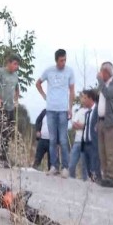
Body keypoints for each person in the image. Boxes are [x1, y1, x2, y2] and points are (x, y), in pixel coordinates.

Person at [36, 49, 75, 178]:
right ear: (56, 60)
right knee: (52, 139)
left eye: (65, 60)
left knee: (63, 140)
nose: (63, 62)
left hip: (63, 110)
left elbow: (72, 91)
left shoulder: (69, 71)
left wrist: (70, 108)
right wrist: (44, 96)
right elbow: (38, 83)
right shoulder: (49, 71)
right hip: (51, 110)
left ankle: (65, 167)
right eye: (61, 60)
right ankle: (54, 166)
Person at [0, 54, 21, 168]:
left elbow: (17, 89)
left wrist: (16, 100)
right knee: (2, 131)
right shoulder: (0, 73)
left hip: (10, 107)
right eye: (15, 64)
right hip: (0, 107)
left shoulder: (16, 76)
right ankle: (2, 157)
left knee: (8, 132)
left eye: (18, 64)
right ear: (9, 63)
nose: (16, 66)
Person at [96, 62, 113, 186]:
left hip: (111, 122)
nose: (100, 74)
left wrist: (100, 81)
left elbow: (108, 94)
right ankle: (105, 175)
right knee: (102, 151)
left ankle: (111, 178)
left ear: (107, 72)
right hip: (101, 121)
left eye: (102, 71)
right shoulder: (103, 84)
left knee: (111, 151)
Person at [79, 89, 101, 182]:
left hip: (94, 144)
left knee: (95, 169)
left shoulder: (98, 110)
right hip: (85, 144)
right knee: (88, 171)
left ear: (90, 98)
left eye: (84, 98)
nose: (82, 100)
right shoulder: (88, 113)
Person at [69, 102, 89, 179]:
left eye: (85, 98)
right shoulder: (79, 111)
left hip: (85, 142)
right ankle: (72, 182)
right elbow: (74, 125)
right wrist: (83, 126)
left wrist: (82, 125)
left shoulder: (91, 111)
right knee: (71, 165)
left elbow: (89, 126)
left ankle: (85, 185)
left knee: (84, 167)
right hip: (77, 141)